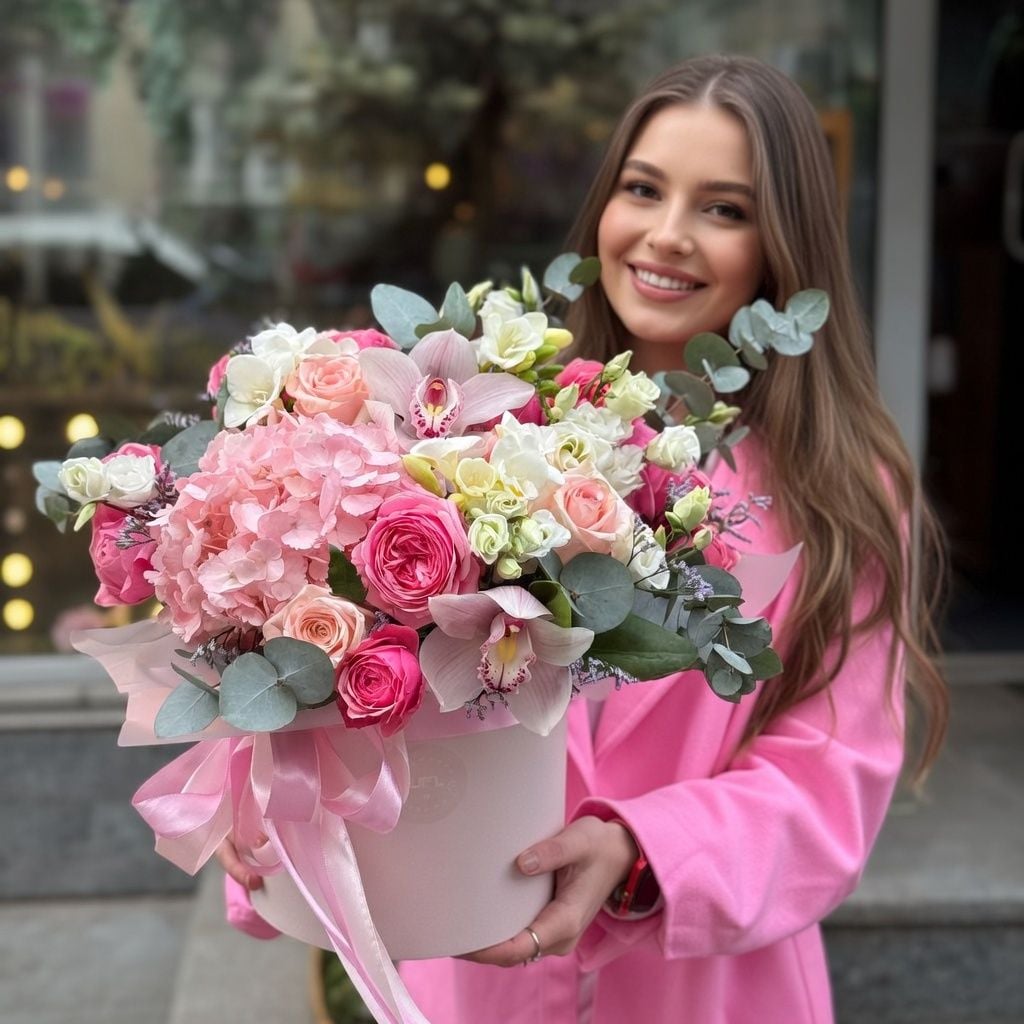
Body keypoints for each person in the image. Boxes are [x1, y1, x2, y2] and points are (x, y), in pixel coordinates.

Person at [219, 54, 949, 1023]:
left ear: (783, 246)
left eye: (722, 209)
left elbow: (828, 780)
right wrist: (270, 800)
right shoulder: (477, 435)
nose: (666, 234)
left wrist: (640, 850)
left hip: (710, 993)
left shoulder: (841, 491)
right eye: (642, 189)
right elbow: (365, 692)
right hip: (475, 983)